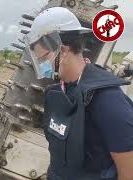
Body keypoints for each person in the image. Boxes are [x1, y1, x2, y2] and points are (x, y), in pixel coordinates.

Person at [26, 7, 133, 179]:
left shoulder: (107, 100)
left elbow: (128, 172)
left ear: (63, 51)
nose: (43, 66)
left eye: (44, 58)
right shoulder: (56, 93)